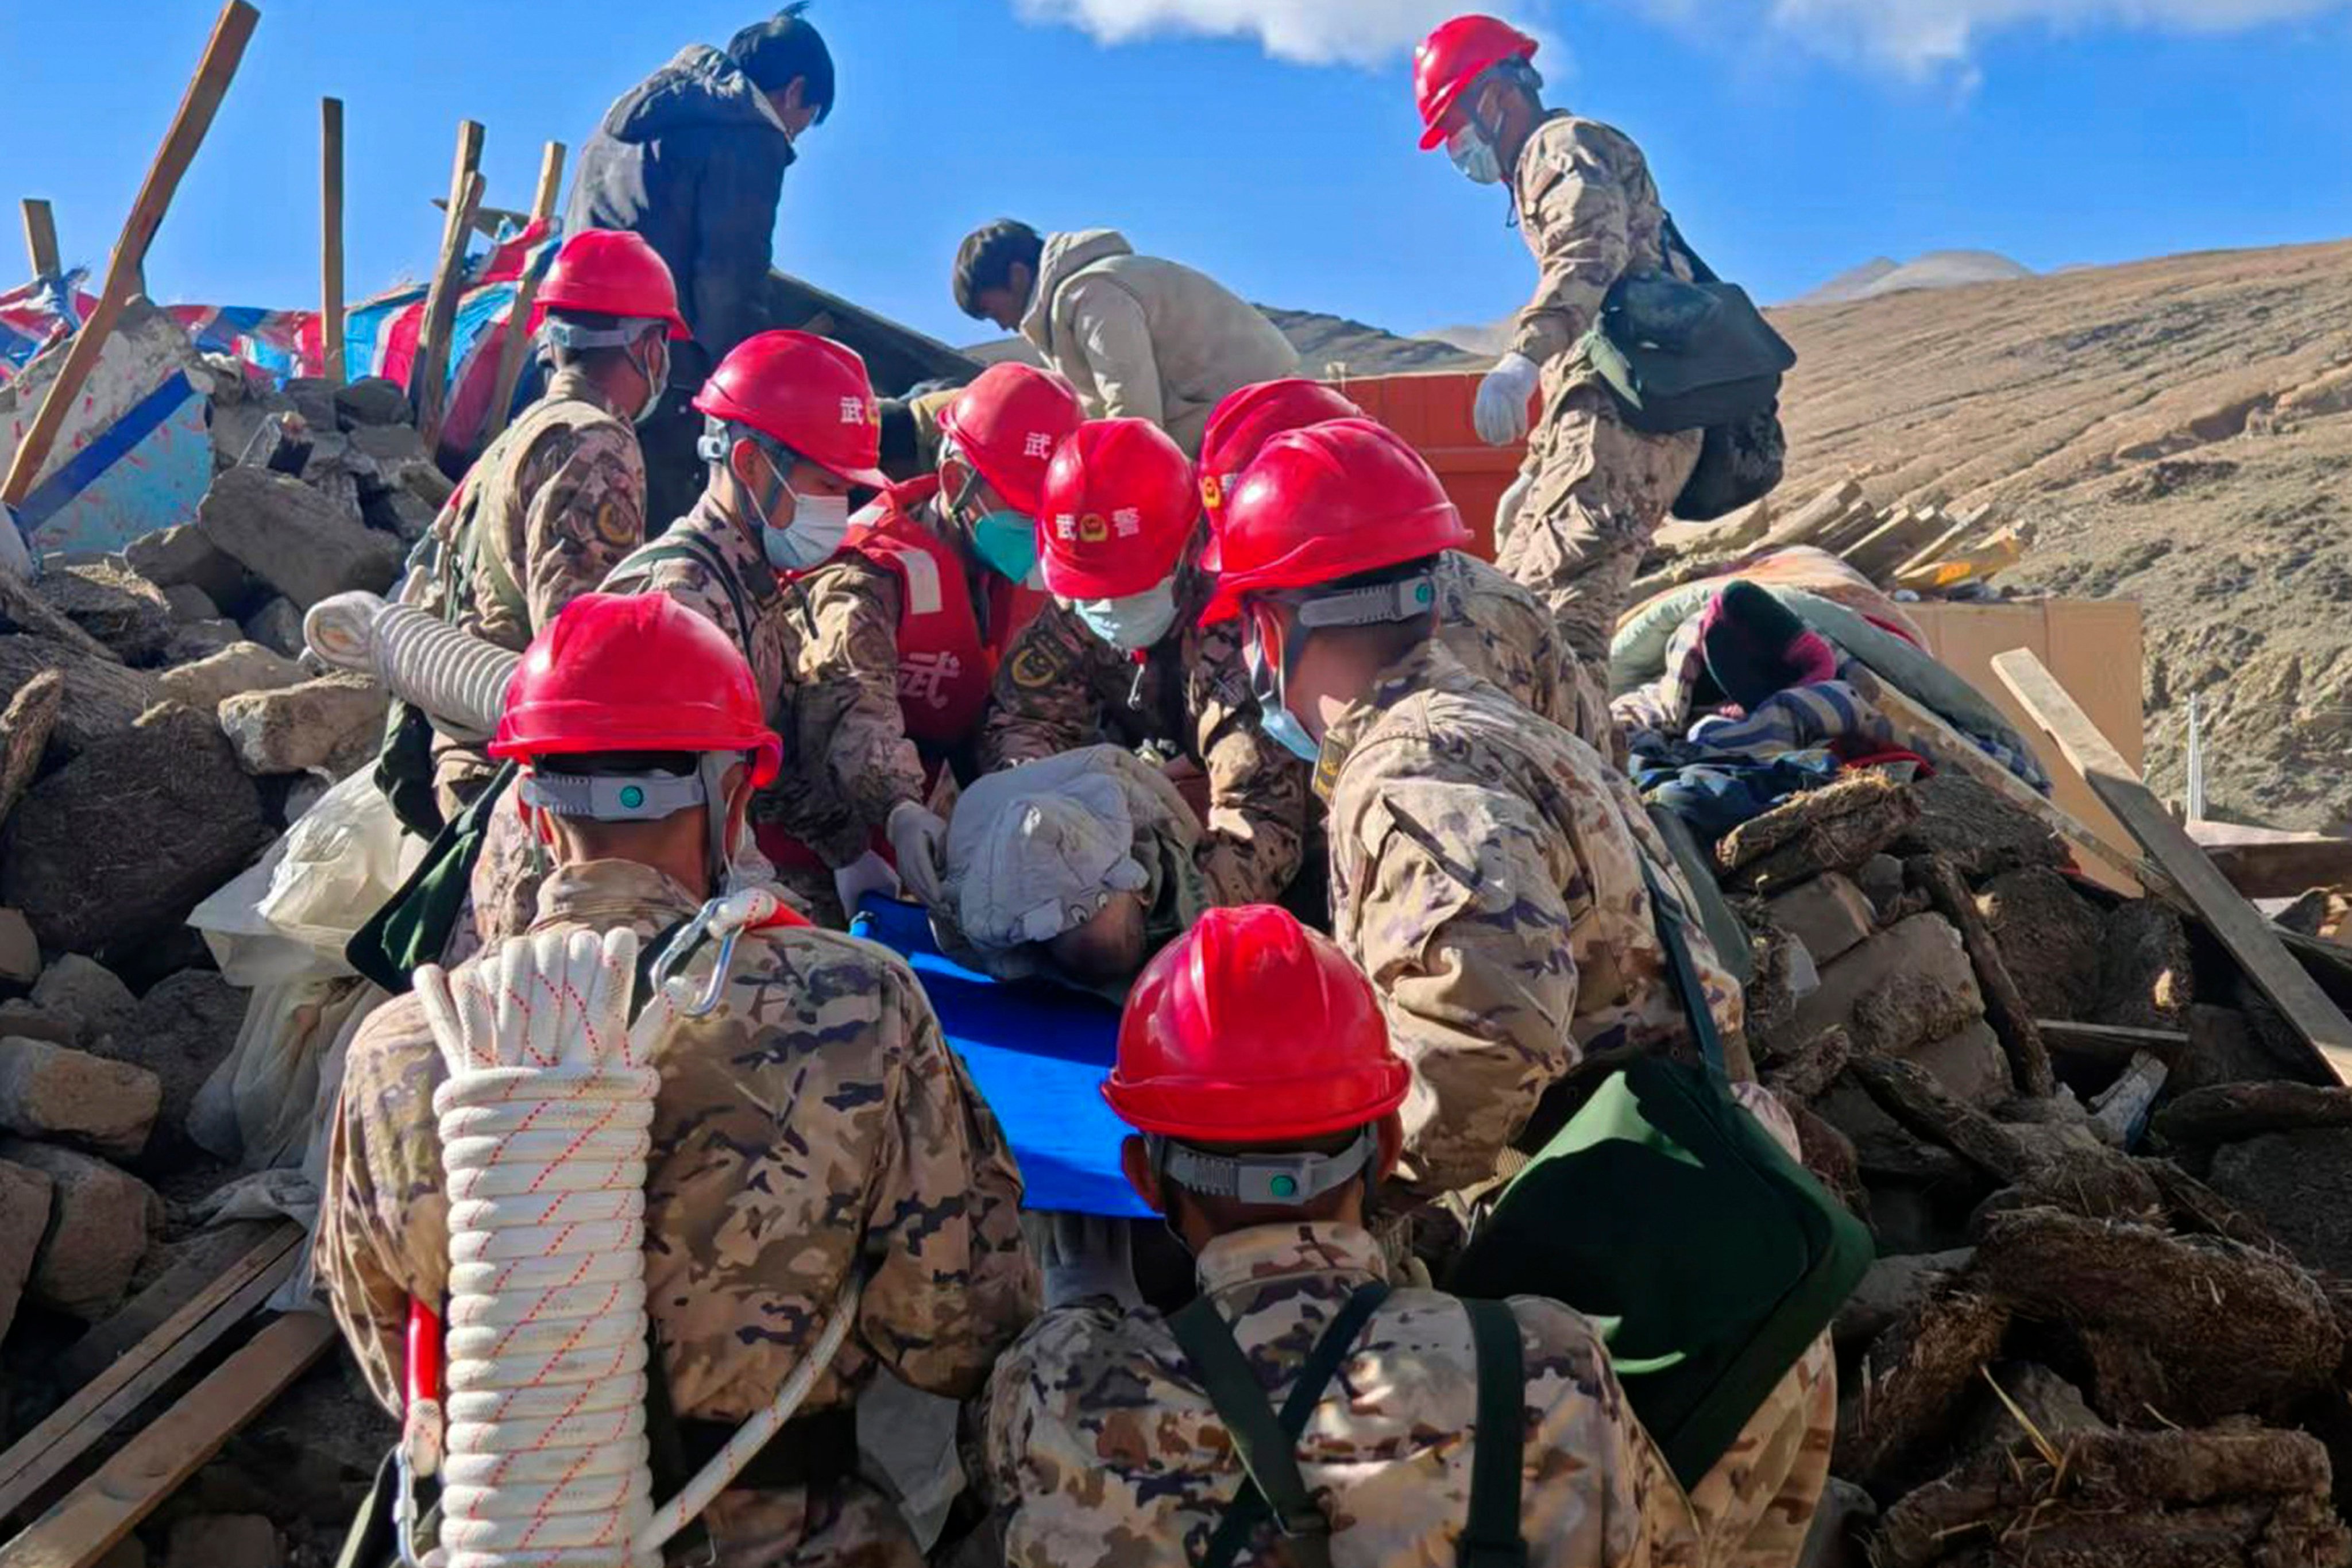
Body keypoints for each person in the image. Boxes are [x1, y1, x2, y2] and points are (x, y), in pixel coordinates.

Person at [319, 592, 1038, 1567]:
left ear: (528, 812)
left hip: (502, 1541)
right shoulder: (856, 1005)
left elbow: (395, 1357)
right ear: (735, 798)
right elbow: (956, 1329)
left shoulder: (402, 1050)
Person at [982, 902, 1708, 1567]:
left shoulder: (1054, 1387)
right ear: (1387, 1146)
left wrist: (1074, 1314)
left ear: (1143, 1174)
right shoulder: (1547, 1367)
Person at [1200, 419, 1743, 1199]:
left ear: (1271, 627)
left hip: (1620, 1208)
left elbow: (1487, 1041)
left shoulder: (1408, 773)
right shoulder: (1485, 719)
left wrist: (1355, 1195)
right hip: (1673, 1160)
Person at [470, 328, 891, 941]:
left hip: (633, 898)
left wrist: (849, 844)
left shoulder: (746, 583)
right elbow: (661, 813)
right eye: (828, 485)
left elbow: (750, 755)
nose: (841, 506)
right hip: (571, 923)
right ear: (750, 465)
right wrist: (798, 934)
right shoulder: (678, 602)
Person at [1413, 15, 1703, 665]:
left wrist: (1521, 359)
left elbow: (1586, 255)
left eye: (1456, 125)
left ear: (1494, 96)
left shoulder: (1561, 146)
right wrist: (1537, 466)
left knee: (1559, 629)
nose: (1458, 148)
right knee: (1519, 611)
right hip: (1599, 421)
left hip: (1625, 419)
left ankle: (1580, 761)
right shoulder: (1541, 164)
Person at [396, 229, 686, 824]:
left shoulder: (517, 436)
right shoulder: (594, 444)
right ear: (650, 347)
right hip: (524, 781)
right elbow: (578, 650)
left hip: (474, 753)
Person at [782, 361, 1084, 914]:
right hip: (835, 850)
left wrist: (1029, 789)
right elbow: (850, 703)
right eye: (1024, 512)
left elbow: (1029, 708)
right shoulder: (866, 576)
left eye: (1052, 516)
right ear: (955, 483)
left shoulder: (1023, 577)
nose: (1039, 535)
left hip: (956, 842)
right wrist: (898, 808)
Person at [978, 416, 1307, 909]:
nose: (1108, 606)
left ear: (1189, 547)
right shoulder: (1075, 603)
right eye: (1093, 592)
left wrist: (1153, 911)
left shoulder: (1241, 631)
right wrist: (1045, 808)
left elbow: (1259, 824)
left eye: (1130, 587)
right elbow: (1025, 717)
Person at [567, 5, 837, 526]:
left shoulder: (628, 118)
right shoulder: (749, 132)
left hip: (576, 357)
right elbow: (728, 282)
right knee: (661, 553)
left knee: (584, 532)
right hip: (663, 379)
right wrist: (748, 395)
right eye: (804, 123)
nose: (794, 137)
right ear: (795, 90)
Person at [951, 220, 1300, 455]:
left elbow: (1132, 412)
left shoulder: (1093, 294)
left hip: (1258, 425)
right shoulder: (1076, 300)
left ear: (1017, 275)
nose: (1002, 327)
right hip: (1243, 420)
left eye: (993, 311)